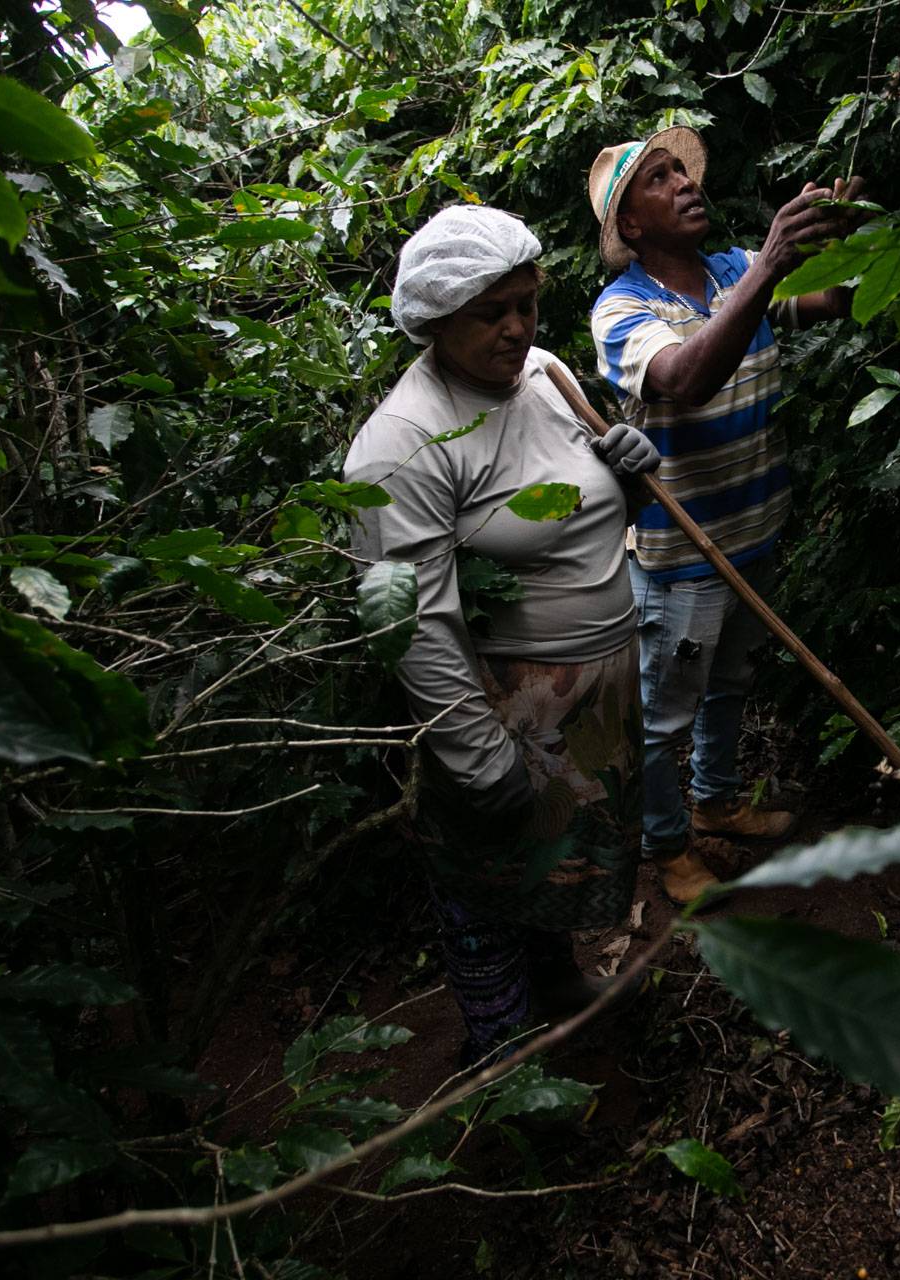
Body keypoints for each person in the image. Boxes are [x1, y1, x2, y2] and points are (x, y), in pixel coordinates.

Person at [344, 205, 660, 1065]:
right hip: (506, 715)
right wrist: (474, 755)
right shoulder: (403, 444)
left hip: (592, 701)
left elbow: (586, 515)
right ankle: (502, 1060)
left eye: (525, 303)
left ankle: (557, 989)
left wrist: (629, 474)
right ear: (435, 320)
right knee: (487, 888)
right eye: (491, 313)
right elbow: (416, 618)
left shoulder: (549, 375)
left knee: (551, 878)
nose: (517, 328)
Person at [587, 126, 865, 899]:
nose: (684, 182)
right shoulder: (621, 311)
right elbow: (685, 378)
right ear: (631, 228)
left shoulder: (733, 271)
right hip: (682, 558)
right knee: (658, 718)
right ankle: (668, 846)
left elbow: (834, 301)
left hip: (753, 532)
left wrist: (843, 233)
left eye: (683, 170)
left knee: (729, 684)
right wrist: (774, 261)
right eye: (658, 178)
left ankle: (713, 802)